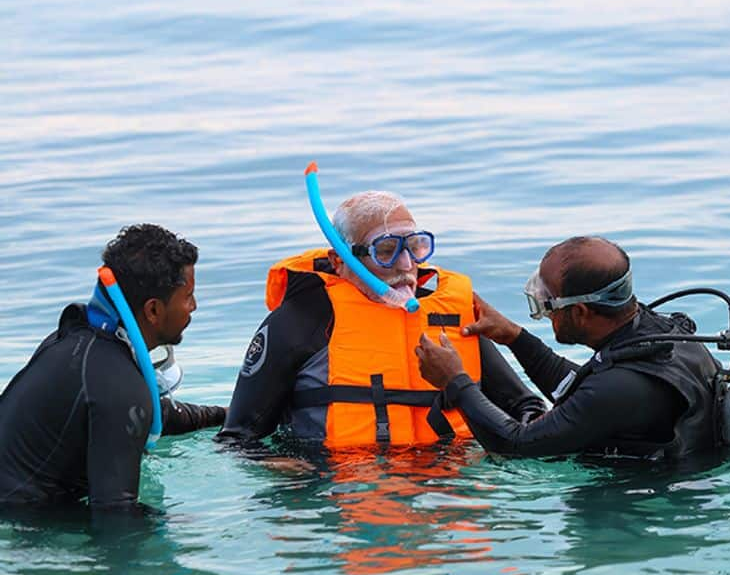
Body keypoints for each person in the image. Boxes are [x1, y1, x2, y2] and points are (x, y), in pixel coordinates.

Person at [218, 191, 545, 450]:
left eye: (415, 247)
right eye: (385, 250)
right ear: (339, 259)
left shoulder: (449, 317)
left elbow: (527, 407)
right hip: (336, 494)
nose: (406, 265)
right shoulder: (301, 321)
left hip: (446, 491)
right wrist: (285, 473)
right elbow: (236, 439)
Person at [416, 236, 719, 460]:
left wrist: (454, 382)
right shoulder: (665, 336)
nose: (545, 314)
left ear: (580, 312)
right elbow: (582, 392)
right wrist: (514, 337)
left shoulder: (618, 387)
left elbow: (517, 445)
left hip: (643, 511)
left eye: (546, 304)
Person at [0, 224, 226, 510]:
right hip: (22, 523)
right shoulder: (119, 385)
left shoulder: (79, 344)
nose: (194, 306)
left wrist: (221, 415)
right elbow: (116, 516)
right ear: (153, 310)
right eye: (188, 296)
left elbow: (144, 412)